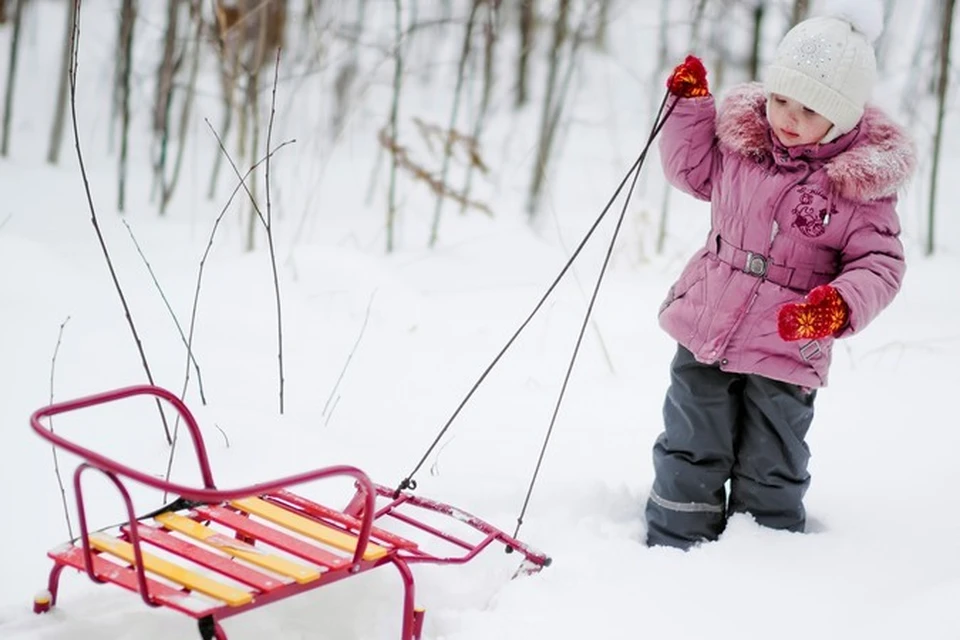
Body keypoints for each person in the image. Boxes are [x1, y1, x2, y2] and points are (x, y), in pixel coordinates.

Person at [645, 6, 916, 549]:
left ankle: (765, 555)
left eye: (809, 109)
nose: (787, 117)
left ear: (842, 117)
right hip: (707, 324)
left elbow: (880, 263)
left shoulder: (856, 188)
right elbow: (691, 170)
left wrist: (837, 306)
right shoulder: (745, 148)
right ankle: (676, 542)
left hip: (790, 342)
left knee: (773, 456)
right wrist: (688, 108)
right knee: (690, 439)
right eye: (780, 99)